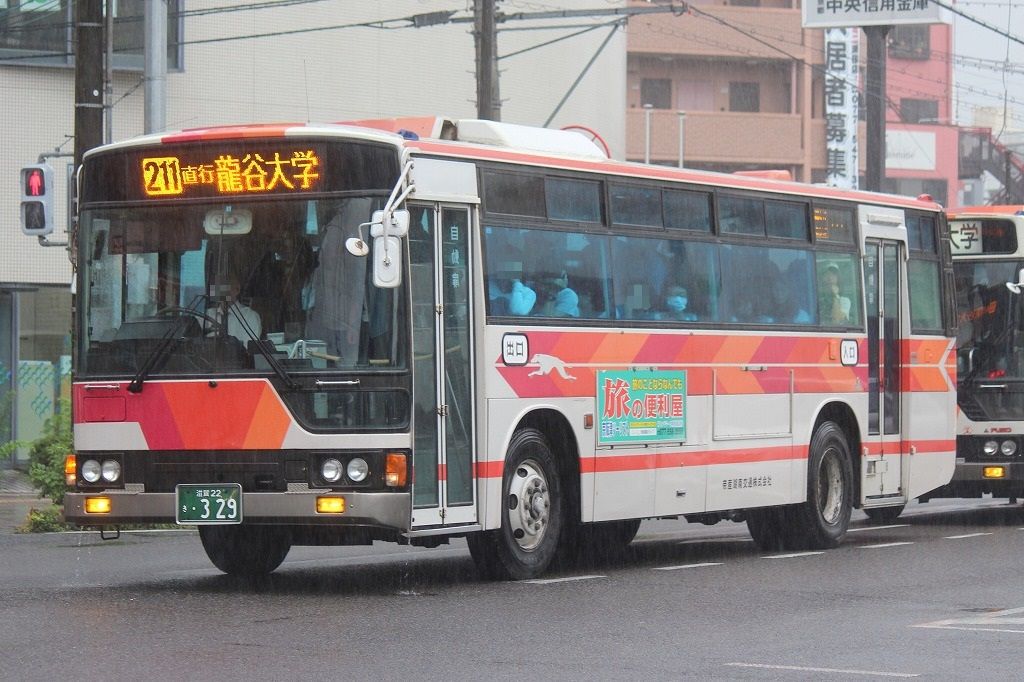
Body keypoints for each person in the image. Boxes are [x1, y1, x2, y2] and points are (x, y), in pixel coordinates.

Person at [207, 274, 261, 342]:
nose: (219, 290)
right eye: (216, 286)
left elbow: (247, 348)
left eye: (224, 286)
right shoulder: (207, 315)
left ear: (237, 289)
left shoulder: (250, 316)